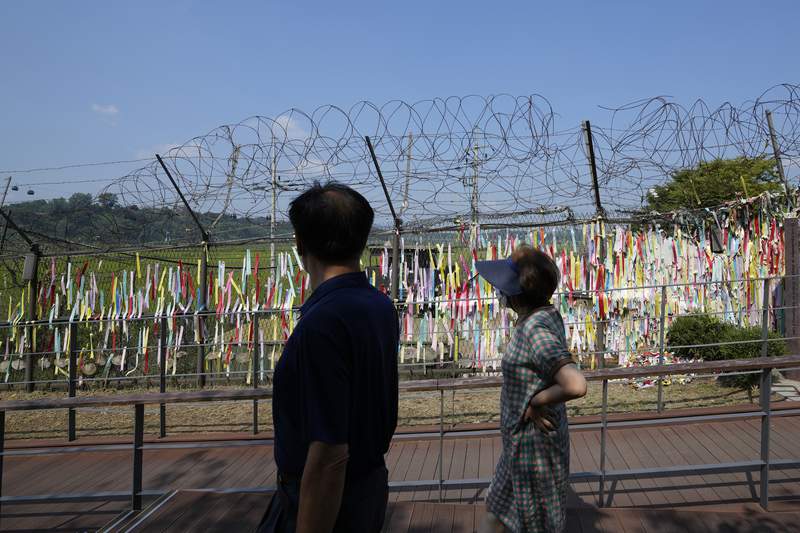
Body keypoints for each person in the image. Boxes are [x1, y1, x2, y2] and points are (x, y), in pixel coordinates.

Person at [258, 182, 399, 533]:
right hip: (368, 485)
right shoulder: (380, 306)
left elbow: (329, 455)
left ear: (300, 244)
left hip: (325, 501)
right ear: (362, 241)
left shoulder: (322, 324)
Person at [476, 246, 587, 533]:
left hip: (534, 450)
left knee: (531, 523)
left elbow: (575, 384)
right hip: (519, 445)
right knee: (496, 512)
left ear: (516, 294)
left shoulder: (535, 330)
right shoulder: (544, 315)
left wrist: (537, 400)